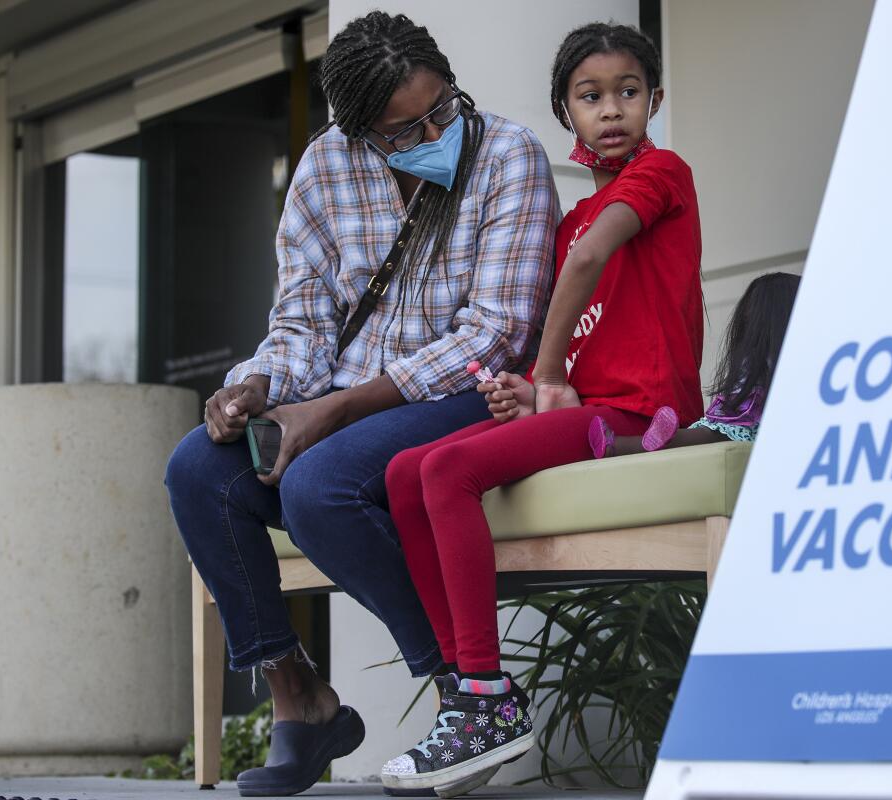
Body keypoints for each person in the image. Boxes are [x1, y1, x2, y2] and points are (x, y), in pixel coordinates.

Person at [163, 11, 558, 797]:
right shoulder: (324, 169)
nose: (434, 132)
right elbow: (303, 324)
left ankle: (473, 696)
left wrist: (336, 412)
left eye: (441, 109)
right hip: (345, 402)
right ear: (359, 133)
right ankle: (301, 700)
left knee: (319, 485)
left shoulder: (508, 155)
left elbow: (498, 336)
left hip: (468, 394)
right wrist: (258, 386)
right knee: (196, 472)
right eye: (402, 130)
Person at [379, 22, 702, 796]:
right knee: (400, 473)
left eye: (629, 91)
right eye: (591, 97)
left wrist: (548, 371)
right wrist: (532, 387)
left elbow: (592, 270)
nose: (613, 109)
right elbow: (586, 332)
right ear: (567, 112)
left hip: (645, 418)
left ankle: (488, 697)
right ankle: (468, 689)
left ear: (654, 99)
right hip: (599, 411)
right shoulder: (571, 224)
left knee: (450, 468)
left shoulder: (661, 173)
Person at [589, 271, 801, 457]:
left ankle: (621, 443)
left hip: (734, 423)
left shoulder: (756, 357)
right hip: (743, 424)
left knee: (707, 433)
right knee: (711, 434)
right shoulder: (783, 356)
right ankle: (653, 440)